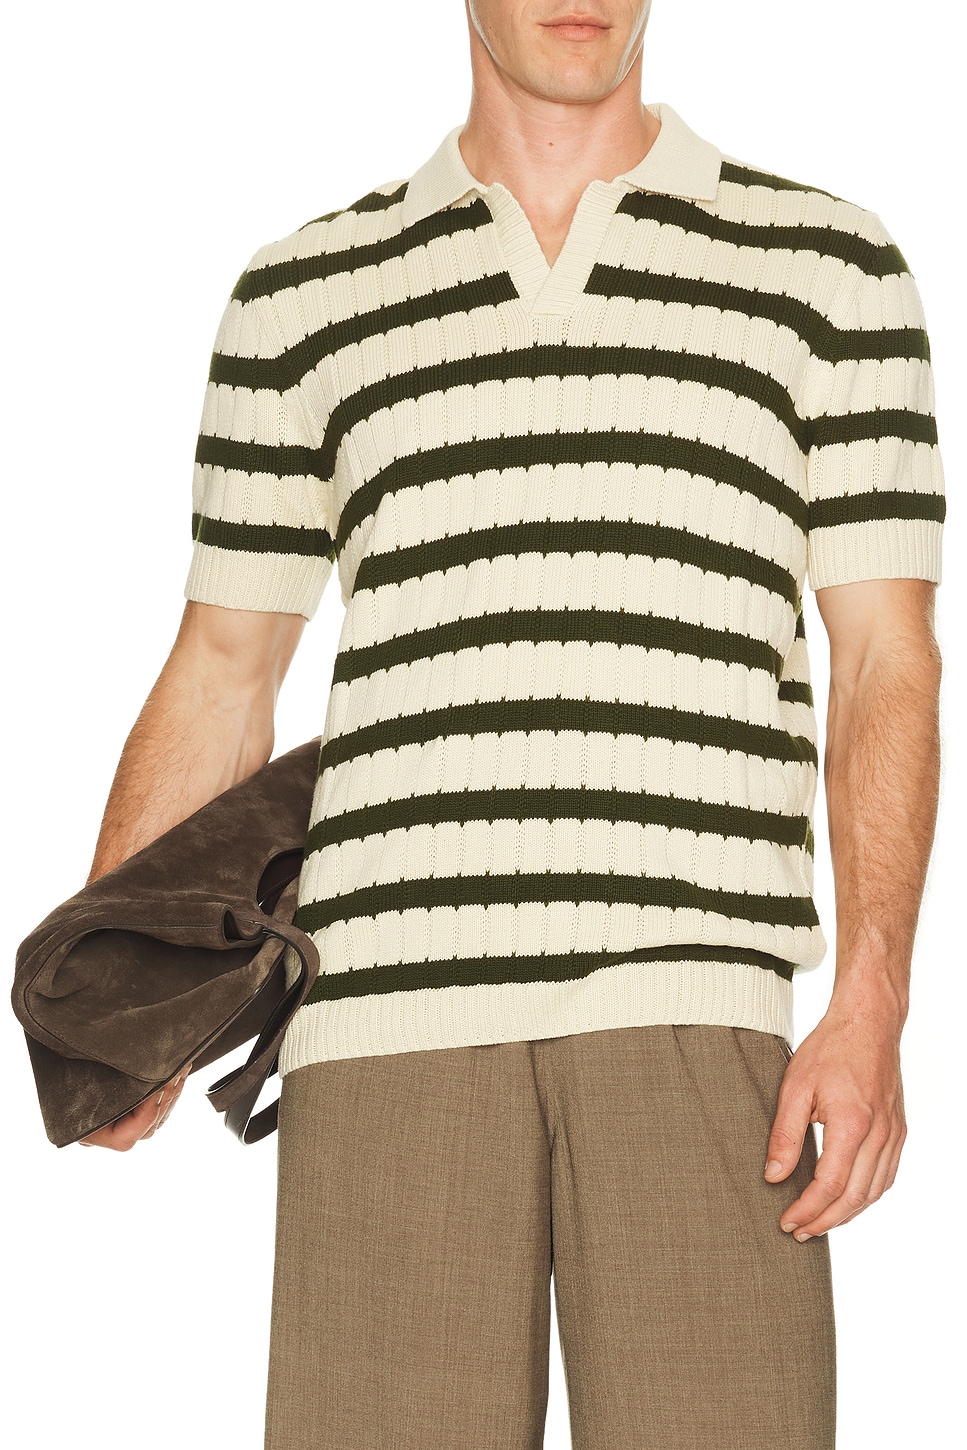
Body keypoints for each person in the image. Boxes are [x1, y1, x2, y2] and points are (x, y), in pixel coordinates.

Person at [78, 2, 944, 1446]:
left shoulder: (829, 272)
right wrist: (119, 993)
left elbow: (886, 660)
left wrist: (876, 996)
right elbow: (224, 668)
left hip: (701, 1023)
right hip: (384, 1030)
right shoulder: (304, 297)